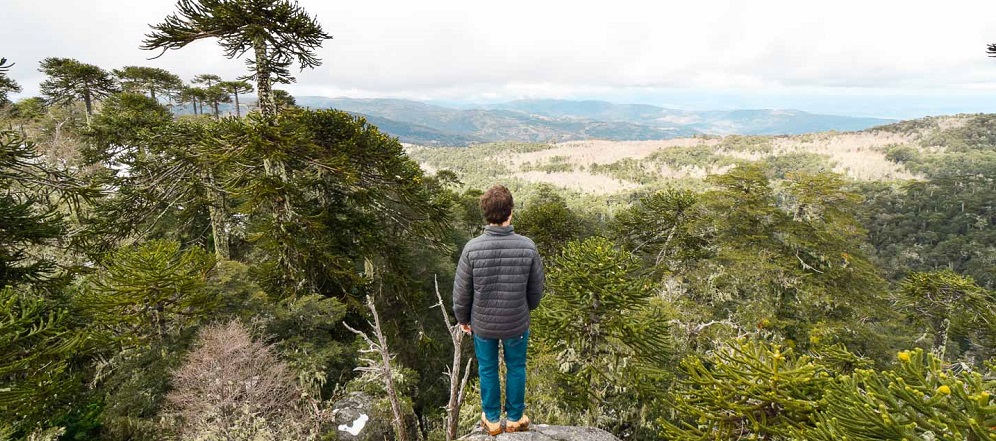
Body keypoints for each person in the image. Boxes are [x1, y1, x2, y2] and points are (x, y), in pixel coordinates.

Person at [453, 185, 545, 436]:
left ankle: (492, 420)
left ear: (485, 214)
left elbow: (462, 292)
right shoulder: (527, 247)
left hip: (482, 323)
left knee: (487, 368)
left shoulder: (472, 248)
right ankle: (515, 418)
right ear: (510, 213)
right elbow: (536, 291)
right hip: (516, 321)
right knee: (516, 367)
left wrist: (463, 318)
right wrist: (527, 308)